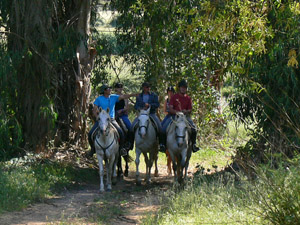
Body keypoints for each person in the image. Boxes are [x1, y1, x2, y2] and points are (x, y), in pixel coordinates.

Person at [88, 84, 137, 157]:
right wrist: (97, 117)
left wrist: (134, 94)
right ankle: (93, 149)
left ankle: (121, 149)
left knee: (121, 133)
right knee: (90, 133)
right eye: (108, 88)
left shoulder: (114, 97)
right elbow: (94, 110)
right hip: (101, 120)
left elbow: (124, 96)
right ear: (104, 91)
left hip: (111, 119)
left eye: (110, 88)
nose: (110, 89)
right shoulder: (99, 99)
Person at [159, 79, 200, 153]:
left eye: (184, 87)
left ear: (186, 89)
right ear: (179, 88)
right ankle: (163, 145)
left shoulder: (188, 98)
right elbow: (170, 109)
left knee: (194, 128)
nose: (183, 89)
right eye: (182, 87)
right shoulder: (174, 97)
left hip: (185, 117)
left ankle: (193, 145)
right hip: (174, 116)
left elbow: (190, 109)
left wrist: (186, 111)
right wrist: (177, 112)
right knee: (163, 128)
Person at [126, 82, 163, 150]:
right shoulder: (139, 96)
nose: (148, 88)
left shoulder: (154, 95)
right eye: (147, 87)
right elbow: (136, 105)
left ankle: (161, 144)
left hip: (151, 113)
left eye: (149, 87)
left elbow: (157, 104)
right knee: (132, 127)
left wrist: (149, 105)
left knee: (160, 127)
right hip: (142, 114)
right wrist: (140, 108)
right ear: (143, 88)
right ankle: (130, 144)